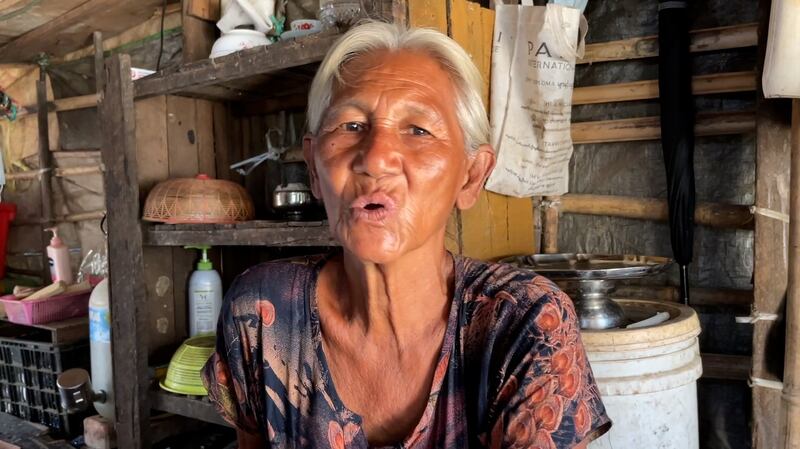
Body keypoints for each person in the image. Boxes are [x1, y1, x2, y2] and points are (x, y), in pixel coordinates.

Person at [202, 21, 611, 449]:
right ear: (313, 169)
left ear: (471, 176)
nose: (376, 160)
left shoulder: (525, 323)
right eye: (351, 126)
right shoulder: (262, 313)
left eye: (418, 130)